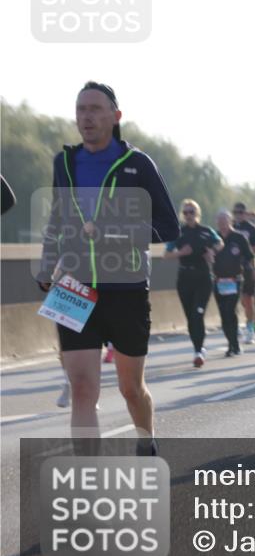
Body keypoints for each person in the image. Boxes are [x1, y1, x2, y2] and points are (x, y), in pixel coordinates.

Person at [36, 81, 179, 452]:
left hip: (126, 288)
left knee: (131, 388)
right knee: (82, 388)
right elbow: (57, 216)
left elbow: (168, 225)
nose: (87, 116)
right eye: (81, 109)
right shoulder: (63, 163)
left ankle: (146, 441)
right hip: (72, 285)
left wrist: (118, 232)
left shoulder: (137, 165)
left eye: (96, 109)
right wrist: (46, 262)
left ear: (115, 117)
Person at [163, 199, 222, 368]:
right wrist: (181, 252)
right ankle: (198, 347)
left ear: (197, 214)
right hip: (185, 278)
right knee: (191, 318)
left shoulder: (206, 231)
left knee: (198, 313)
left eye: (192, 212)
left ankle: (198, 351)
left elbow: (220, 243)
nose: (189, 215)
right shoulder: (178, 232)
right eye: (186, 212)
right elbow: (166, 255)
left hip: (203, 276)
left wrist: (212, 251)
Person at [212, 210, 255, 356]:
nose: (222, 225)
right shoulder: (214, 237)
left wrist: (254, 270)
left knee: (230, 310)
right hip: (218, 281)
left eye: (225, 222)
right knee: (224, 314)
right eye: (219, 222)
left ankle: (234, 345)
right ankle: (231, 344)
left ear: (230, 222)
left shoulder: (239, 238)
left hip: (235, 280)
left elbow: (250, 256)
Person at [231, 202, 255, 344]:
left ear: (245, 213)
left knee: (248, 301)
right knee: (233, 301)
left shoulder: (251, 229)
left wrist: (245, 246)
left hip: (247, 267)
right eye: (235, 212)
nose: (238, 215)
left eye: (240, 212)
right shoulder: (228, 227)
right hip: (230, 268)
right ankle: (236, 325)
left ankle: (250, 328)